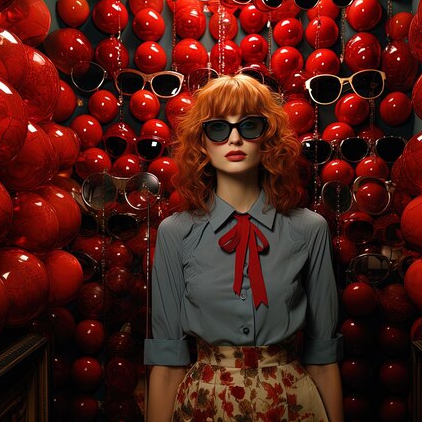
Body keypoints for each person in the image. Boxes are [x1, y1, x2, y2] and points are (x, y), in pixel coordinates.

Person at [144, 74, 344, 421]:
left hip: (290, 404)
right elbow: (167, 361)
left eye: (249, 126)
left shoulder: (310, 229)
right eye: (218, 128)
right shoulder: (175, 234)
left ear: (268, 138)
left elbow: (323, 357)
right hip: (205, 407)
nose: (234, 138)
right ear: (201, 142)